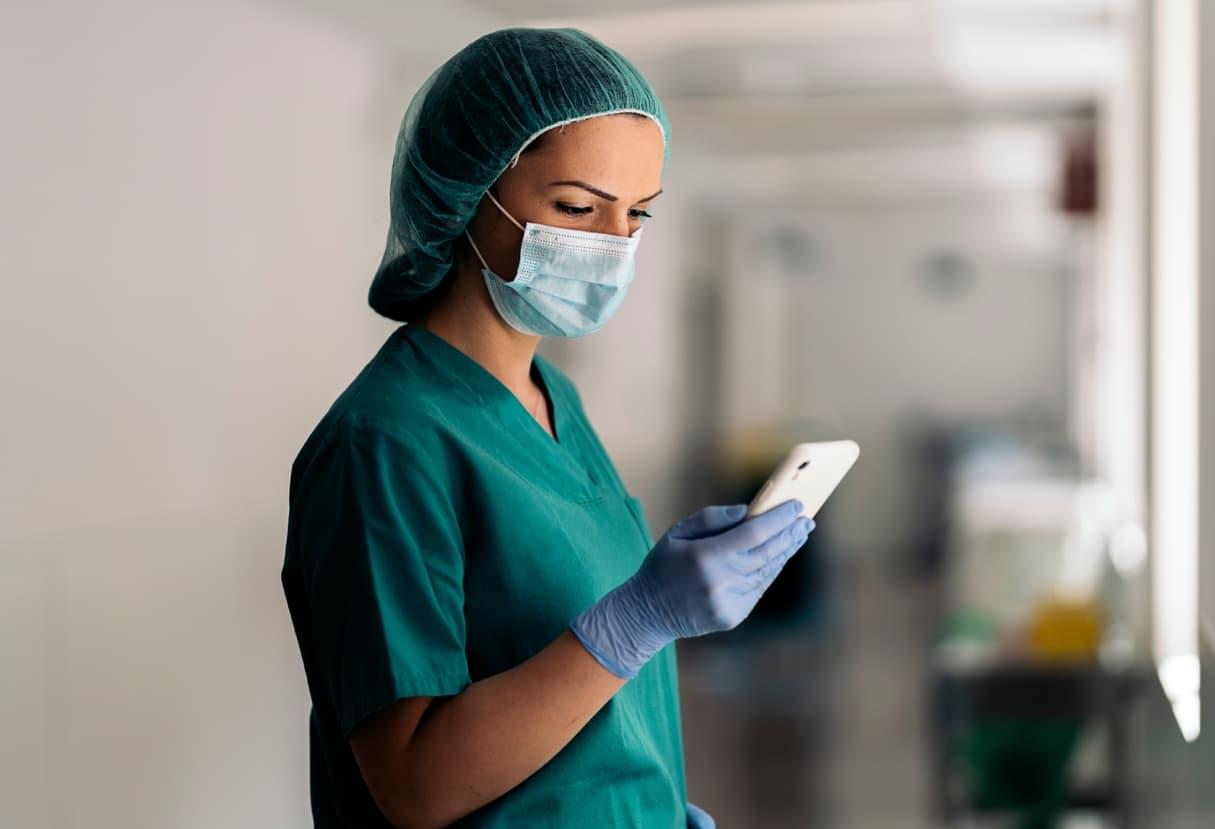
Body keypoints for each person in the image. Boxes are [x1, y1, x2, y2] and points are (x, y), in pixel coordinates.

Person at [280, 27, 815, 829]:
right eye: (576, 207)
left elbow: (587, 700)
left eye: (636, 214)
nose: (614, 246)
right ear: (469, 191)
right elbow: (413, 785)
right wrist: (639, 617)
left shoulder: (553, 399)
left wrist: (648, 803)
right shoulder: (385, 442)